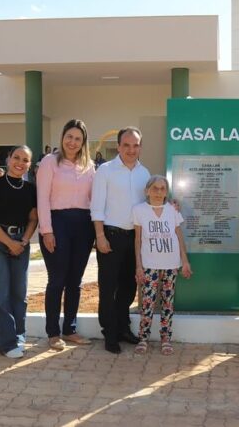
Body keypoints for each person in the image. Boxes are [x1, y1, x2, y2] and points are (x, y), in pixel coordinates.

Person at [91, 127, 150, 353]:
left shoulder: (144, 173)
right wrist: (100, 236)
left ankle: (123, 328)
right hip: (110, 237)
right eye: (126, 145)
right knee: (108, 288)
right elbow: (96, 207)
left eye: (135, 145)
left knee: (128, 287)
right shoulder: (105, 171)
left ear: (140, 147)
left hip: (134, 239)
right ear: (118, 146)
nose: (131, 149)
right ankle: (110, 334)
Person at [38, 119, 96, 350]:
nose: (73, 142)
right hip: (57, 223)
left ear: (83, 143)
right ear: (62, 137)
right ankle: (53, 332)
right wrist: (47, 231)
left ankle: (69, 329)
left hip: (83, 225)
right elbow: (42, 198)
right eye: (69, 137)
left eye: (78, 139)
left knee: (75, 281)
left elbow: (95, 198)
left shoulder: (89, 166)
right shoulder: (50, 162)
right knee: (57, 280)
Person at [0, 146, 38, 359]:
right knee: (0, 294)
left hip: (21, 242)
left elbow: (33, 218)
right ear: (8, 159)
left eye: (25, 160)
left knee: (19, 295)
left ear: (29, 165)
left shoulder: (31, 190)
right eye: (16, 158)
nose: (20, 162)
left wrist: (22, 240)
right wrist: (8, 242)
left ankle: (18, 337)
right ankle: (6, 342)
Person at [132, 175, 191, 356]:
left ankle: (166, 338)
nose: (159, 192)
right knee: (147, 303)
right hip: (149, 264)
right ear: (147, 191)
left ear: (167, 192)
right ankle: (143, 338)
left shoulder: (172, 210)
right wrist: (138, 266)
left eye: (162, 189)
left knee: (168, 303)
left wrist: (185, 261)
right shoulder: (139, 210)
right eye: (155, 188)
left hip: (171, 264)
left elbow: (179, 236)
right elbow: (138, 240)